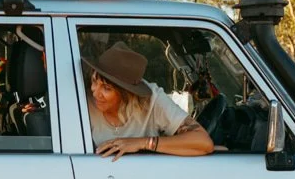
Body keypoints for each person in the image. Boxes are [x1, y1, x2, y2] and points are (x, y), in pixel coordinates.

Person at [85, 43, 214, 159]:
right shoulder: (81, 100)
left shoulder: (152, 100)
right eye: (94, 81)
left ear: (127, 93)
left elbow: (203, 142)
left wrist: (142, 143)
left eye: (106, 88)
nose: (95, 92)